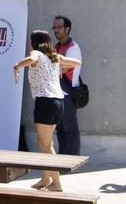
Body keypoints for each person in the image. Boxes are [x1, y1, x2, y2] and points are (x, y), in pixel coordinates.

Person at [14, 29, 82, 192]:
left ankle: (56, 183)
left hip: (45, 102)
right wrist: (61, 69)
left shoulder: (37, 53)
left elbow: (31, 59)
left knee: (46, 145)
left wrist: (17, 66)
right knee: (46, 142)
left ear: (34, 42)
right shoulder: (55, 57)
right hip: (58, 102)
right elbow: (77, 63)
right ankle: (46, 178)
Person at [53, 15, 83, 155]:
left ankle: (73, 160)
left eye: (59, 27)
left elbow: (65, 68)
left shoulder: (73, 47)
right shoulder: (56, 47)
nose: (56, 30)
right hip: (57, 92)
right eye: (54, 27)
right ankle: (63, 160)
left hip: (68, 93)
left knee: (70, 128)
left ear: (67, 29)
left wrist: (53, 67)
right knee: (60, 129)